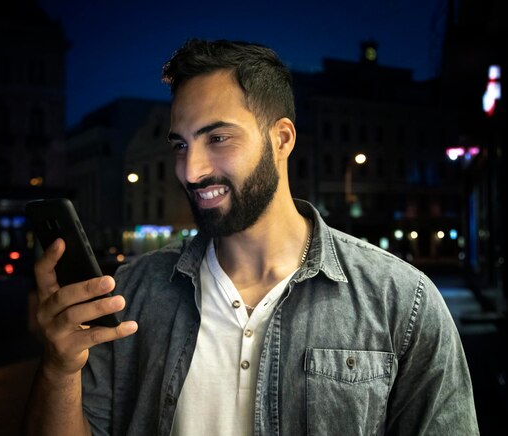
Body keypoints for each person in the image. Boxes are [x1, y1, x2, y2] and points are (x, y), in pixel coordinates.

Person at [23, 38, 479, 435]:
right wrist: (60, 369)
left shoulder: (402, 301)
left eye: (217, 138)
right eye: (179, 144)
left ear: (281, 139)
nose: (190, 169)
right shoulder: (131, 296)